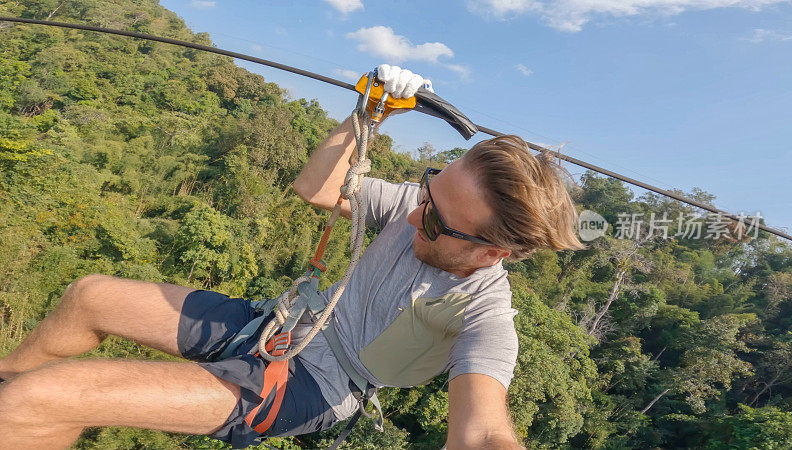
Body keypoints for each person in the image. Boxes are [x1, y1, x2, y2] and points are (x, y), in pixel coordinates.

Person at [0, 65, 584, 449]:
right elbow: (319, 190)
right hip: (276, 324)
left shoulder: (484, 316)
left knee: (45, 397)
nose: (412, 212)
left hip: (315, 387)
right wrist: (368, 115)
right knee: (90, 297)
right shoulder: (418, 204)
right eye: (426, 188)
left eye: (433, 218)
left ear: (491, 253)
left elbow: (480, 431)